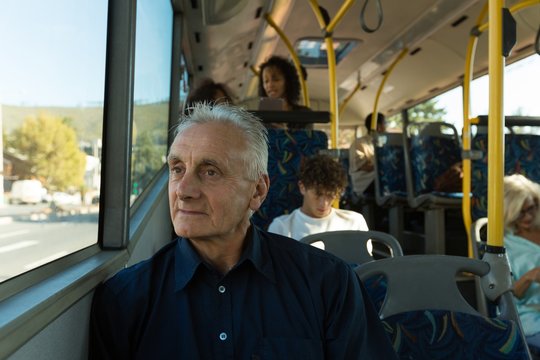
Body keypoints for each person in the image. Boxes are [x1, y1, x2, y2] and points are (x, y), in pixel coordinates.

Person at [89, 103, 397, 359]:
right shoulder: (125, 299)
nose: (183, 190)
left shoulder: (328, 283)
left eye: (210, 172)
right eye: (177, 169)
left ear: (258, 190)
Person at [268, 153, 369, 240]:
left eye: (330, 195)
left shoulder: (354, 223)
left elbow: (364, 262)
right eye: (318, 194)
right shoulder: (281, 228)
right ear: (302, 187)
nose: (324, 203)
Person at [503, 174, 540, 349]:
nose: (527, 217)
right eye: (520, 213)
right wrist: (530, 276)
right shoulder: (505, 245)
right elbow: (507, 296)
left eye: (531, 209)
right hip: (530, 316)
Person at [258, 55, 311, 129]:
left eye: (276, 79)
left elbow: (307, 139)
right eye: (266, 81)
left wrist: (284, 132)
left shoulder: (303, 114)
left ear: (288, 82)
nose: (270, 85)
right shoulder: (260, 117)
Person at [348, 112, 386, 196]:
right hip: (365, 182)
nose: (386, 127)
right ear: (379, 127)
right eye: (385, 124)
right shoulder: (360, 143)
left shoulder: (382, 143)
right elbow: (364, 167)